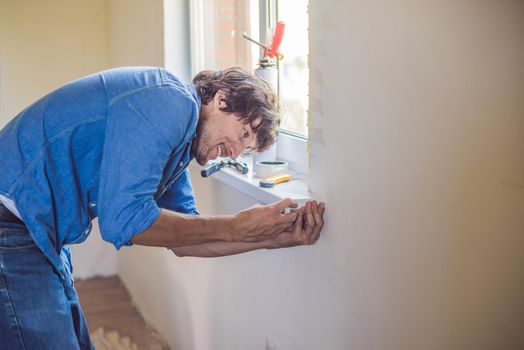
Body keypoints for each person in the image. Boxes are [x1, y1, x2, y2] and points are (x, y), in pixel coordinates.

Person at [0, 66, 325, 349]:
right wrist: (235, 225)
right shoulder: (171, 101)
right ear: (221, 98)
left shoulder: (179, 146)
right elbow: (123, 221)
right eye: (243, 134)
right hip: (11, 226)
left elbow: (185, 242)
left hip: (33, 232)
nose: (234, 152)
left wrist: (275, 239)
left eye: (245, 150)